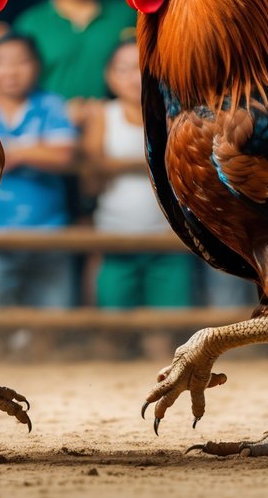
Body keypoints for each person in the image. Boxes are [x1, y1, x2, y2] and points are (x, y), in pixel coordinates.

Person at [0, 34, 78, 308]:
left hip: (49, 232)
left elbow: (64, 154)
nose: (12, 71)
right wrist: (36, 147)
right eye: (2, 62)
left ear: (37, 66)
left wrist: (12, 152)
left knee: (54, 319)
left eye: (22, 62)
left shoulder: (51, 104)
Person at [82, 41, 193, 310]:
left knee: (168, 322)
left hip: (170, 237)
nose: (135, 77)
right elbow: (89, 181)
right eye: (124, 69)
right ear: (109, 77)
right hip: (115, 236)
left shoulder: (176, 117)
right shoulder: (102, 116)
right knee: (114, 318)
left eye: (143, 68)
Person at [12, 0, 136, 125]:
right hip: (46, 126)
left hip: (117, 124)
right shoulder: (31, 22)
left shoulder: (127, 15)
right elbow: (16, 82)